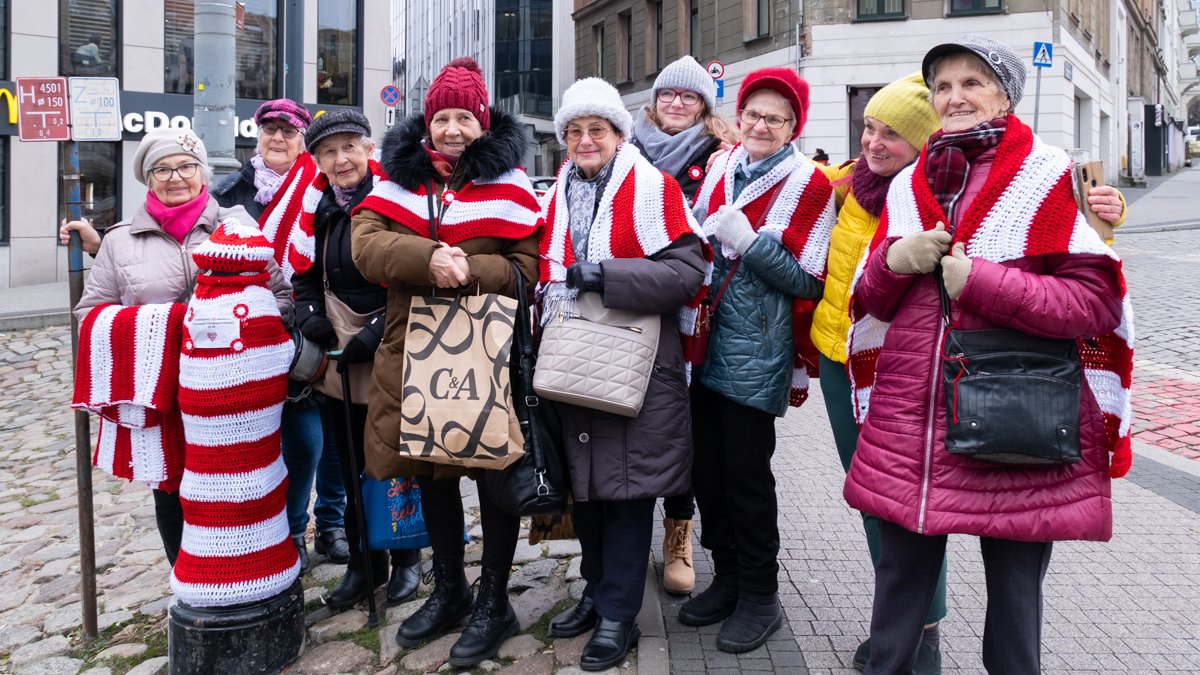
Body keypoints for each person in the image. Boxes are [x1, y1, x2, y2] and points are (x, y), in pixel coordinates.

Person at [843, 34, 1134, 674]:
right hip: (914, 424)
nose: (955, 97)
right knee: (895, 605)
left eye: (972, 83)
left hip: (1014, 415)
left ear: (1005, 95)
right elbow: (868, 299)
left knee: (1014, 611)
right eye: (943, 86)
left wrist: (982, 282)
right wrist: (895, 260)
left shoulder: (1046, 174)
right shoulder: (907, 185)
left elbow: (1093, 305)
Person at [350, 57, 541, 668]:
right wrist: (429, 255)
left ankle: (494, 601)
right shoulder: (395, 181)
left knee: (490, 477)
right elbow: (366, 245)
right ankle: (452, 589)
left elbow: (526, 269)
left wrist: (471, 269)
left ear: (482, 123)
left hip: (484, 352)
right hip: (410, 348)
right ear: (426, 124)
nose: (452, 128)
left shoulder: (509, 186)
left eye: (464, 117)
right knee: (432, 473)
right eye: (442, 117)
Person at [540, 77, 709, 672]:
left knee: (629, 493)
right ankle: (596, 591)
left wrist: (602, 276)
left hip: (633, 364)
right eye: (576, 131)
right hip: (573, 358)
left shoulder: (653, 188)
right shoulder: (557, 191)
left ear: (618, 133)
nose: (586, 140)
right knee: (586, 491)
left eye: (598, 129)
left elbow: (689, 273)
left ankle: (619, 614)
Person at [73, 128, 293, 566]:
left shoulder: (238, 225)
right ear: (147, 178)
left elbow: (281, 297)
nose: (176, 177)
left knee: (244, 479)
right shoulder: (119, 241)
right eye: (162, 169)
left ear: (203, 173)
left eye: (186, 166)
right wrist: (164, 325)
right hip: (163, 393)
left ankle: (253, 567)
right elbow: (90, 315)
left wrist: (243, 324)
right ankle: (189, 574)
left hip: (234, 391)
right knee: (173, 487)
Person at [685, 67, 837, 654]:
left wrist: (750, 244)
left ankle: (760, 595)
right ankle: (725, 578)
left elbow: (808, 279)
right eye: (753, 114)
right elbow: (694, 236)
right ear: (739, 116)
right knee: (706, 472)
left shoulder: (808, 185)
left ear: (794, 126)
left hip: (758, 346)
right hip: (699, 338)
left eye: (776, 118)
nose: (762, 126)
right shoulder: (722, 165)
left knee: (747, 475)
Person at [211, 99, 349, 573]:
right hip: (259, 332)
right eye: (269, 129)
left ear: (302, 140)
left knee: (332, 435)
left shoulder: (321, 183)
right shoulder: (232, 191)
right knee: (291, 437)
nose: (277, 138)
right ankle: (291, 529)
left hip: (319, 321)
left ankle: (332, 525)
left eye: (288, 132)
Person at [290, 110, 422, 608]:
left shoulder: (395, 200)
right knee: (348, 463)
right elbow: (302, 272)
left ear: (368, 149)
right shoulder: (318, 208)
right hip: (339, 355)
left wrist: (377, 330)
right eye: (328, 151)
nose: (341, 159)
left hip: (391, 345)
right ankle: (366, 564)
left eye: (349, 147)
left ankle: (407, 556)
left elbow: (414, 275)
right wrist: (306, 314)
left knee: (394, 458)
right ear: (318, 160)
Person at [627, 54, 739, 597]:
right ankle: (615, 539)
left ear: (703, 106)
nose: (676, 103)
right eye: (668, 93)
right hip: (629, 304)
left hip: (692, 309)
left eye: (688, 97)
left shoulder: (721, 156)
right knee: (624, 417)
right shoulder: (625, 150)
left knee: (682, 426)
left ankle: (678, 532)